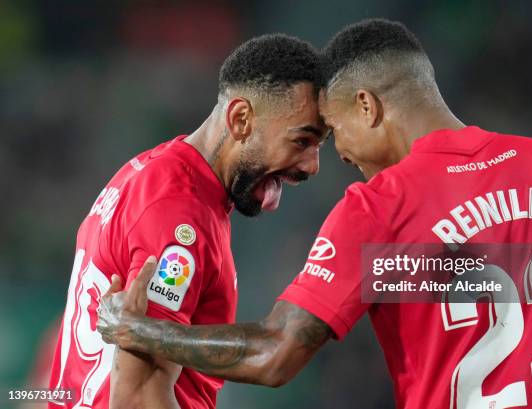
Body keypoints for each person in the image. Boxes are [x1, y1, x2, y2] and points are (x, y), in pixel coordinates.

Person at [97, 19, 532, 408]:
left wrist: (139, 329)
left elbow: (275, 353)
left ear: (367, 106)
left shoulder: (379, 208)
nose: (336, 157)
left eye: (334, 131)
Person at [49, 33, 326, 409]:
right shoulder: (180, 215)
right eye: (301, 141)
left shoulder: (154, 171)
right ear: (241, 119)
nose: (312, 165)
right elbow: (139, 398)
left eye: (319, 146)